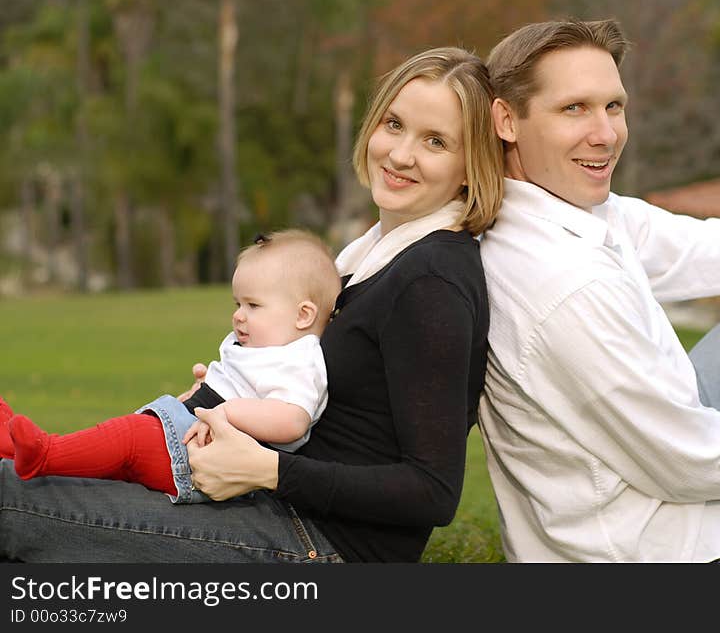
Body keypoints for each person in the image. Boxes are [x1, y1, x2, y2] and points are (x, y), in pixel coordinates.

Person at [0, 45, 504, 563]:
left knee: (9, 497)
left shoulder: (432, 282)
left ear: (471, 166)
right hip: (268, 505)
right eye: (394, 124)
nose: (400, 154)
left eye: (436, 142)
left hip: (320, 545)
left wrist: (266, 469)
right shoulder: (371, 256)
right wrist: (228, 394)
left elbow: (432, 491)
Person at [477, 18, 720, 562]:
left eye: (613, 107)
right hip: (651, 539)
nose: (606, 134)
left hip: (657, 467)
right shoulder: (561, 286)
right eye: (574, 109)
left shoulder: (574, 210)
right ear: (506, 119)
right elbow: (681, 458)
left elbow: (703, 245)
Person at [0, 229, 340, 504]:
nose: (238, 315)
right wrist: (208, 386)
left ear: (303, 315)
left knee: (126, 440)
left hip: (208, 461)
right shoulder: (264, 344)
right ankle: (14, 449)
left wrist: (227, 410)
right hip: (186, 427)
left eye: (253, 305)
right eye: (237, 303)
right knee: (111, 446)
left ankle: (44, 453)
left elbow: (292, 421)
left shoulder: (301, 360)